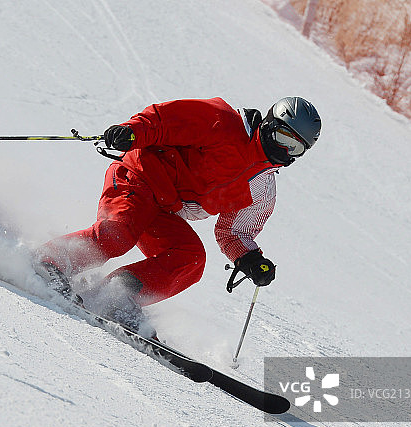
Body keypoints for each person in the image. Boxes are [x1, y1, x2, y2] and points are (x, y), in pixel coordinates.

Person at [34, 96, 321, 337]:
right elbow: (163, 120)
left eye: (295, 148)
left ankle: (115, 296)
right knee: (117, 236)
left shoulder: (261, 186)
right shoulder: (223, 122)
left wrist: (250, 259)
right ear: (270, 125)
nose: (284, 151)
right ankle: (47, 262)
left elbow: (233, 232)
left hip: (164, 208)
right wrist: (132, 131)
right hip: (138, 178)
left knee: (190, 259)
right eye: (283, 138)